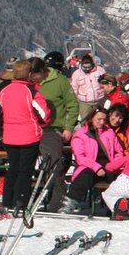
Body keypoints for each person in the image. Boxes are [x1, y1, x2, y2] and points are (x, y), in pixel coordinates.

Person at [0, 58, 53, 212]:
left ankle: (7, 202)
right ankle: (21, 202)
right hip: (29, 135)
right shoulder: (32, 93)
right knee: (25, 170)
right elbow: (44, 116)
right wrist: (41, 125)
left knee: (12, 169)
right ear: (29, 74)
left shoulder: (3, 91)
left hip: (10, 136)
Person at [35, 50, 81, 212]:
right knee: (29, 167)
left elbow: (73, 105)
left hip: (52, 129)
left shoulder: (60, 81)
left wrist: (68, 127)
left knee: (55, 168)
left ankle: (56, 203)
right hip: (31, 129)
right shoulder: (32, 81)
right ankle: (31, 200)